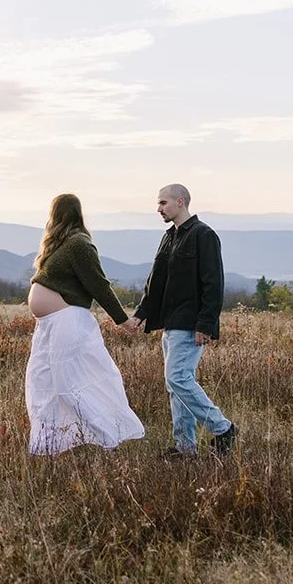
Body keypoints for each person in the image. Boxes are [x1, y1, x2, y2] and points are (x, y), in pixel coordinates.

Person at [25, 193, 145, 455]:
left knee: (68, 383)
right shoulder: (58, 244)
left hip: (67, 320)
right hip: (49, 324)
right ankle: (51, 443)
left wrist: (123, 320)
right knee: (43, 381)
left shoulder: (79, 244)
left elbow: (99, 285)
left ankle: (107, 437)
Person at [123, 184, 238, 457]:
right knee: (175, 385)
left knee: (177, 378)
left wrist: (205, 324)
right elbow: (156, 282)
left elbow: (214, 283)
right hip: (170, 323)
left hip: (190, 323)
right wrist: (140, 314)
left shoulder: (204, 235)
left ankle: (223, 429)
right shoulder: (169, 237)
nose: (159, 209)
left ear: (180, 202)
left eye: (163, 203)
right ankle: (185, 447)